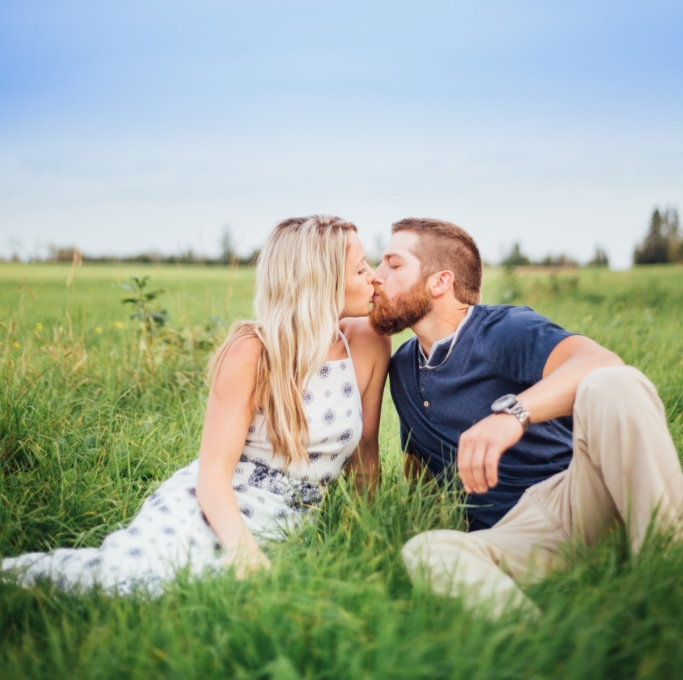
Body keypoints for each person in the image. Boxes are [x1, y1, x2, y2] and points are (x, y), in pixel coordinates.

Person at [2, 216, 391, 595]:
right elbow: (213, 473)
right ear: (321, 282)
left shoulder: (367, 342)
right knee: (123, 581)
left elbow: (366, 457)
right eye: (360, 269)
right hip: (212, 510)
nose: (373, 276)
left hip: (287, 525)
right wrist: (245, 553)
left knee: (209, 595)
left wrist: (367, 541)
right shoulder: (252, 352)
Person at [358, 216, 683, 617]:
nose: (376, 276)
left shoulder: (503, 329)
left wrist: (512, 416)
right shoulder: (403, 368)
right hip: (512, 536)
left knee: (614, 383)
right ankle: (542, 643)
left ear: (439, 282)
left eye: (393, 264)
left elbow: (599, 362)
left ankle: (668, 575)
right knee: (426, 551)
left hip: (578, 499)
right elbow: (420, 471)